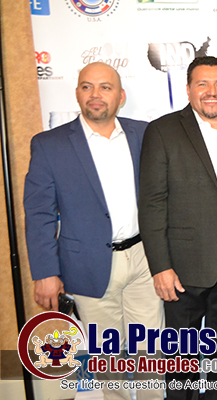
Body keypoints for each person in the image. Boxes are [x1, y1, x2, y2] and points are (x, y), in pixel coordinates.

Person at [24, 62, 163, 400]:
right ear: (77, 93)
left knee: (151, 352)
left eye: (105, 87)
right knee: (108, 359)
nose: (95, 95)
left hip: (144, 259)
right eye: (87, 87)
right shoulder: (49, 144)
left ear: (121, 96)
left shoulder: (145, 134)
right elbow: (40, 213)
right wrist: (45, 272)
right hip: (87, 264)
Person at [138, 56, 217, 400]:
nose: (211, 91)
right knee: (182, 355)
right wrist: (160, 266)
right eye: (202, 84)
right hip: (183, 265)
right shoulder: (163, 130)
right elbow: (152, 203)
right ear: (188, 89)